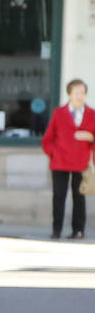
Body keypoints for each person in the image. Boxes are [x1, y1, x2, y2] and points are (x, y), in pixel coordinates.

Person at [41, 78, 95, 240]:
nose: (80, 96)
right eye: (77, 92)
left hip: (81, 162)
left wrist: (90, 137)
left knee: (79, 197)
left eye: (83, 92)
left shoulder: (92, 114)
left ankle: (78, 230)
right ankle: (56, 230)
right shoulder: (59, 113)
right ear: (69, 94)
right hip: (60, 162)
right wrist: (53, 153)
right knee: (59, 196)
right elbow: (47, 138)